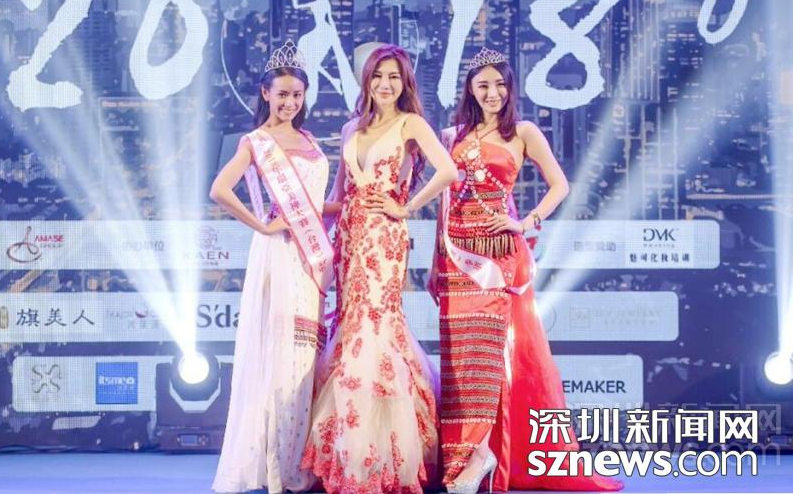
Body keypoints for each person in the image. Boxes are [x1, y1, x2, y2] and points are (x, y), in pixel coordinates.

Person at [428, 47, 624, 493]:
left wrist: (526, 221)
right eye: (483, 85)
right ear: (470, 90)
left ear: (510, 88)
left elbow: (560, 185)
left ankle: (485, 455)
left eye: (500, 85)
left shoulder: (523, 132)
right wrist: (434, 262)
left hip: (498, 256)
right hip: (457, 258)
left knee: (493, 358)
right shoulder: (451, 136)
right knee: (461, 361)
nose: (492, 93)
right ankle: (465, 459)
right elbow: (443, 205)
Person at [301, 44, 458, 493]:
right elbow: (339, 192)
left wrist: (405, 207)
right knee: (351, 324)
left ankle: (383, 455)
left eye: (393, 76)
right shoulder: (351, 127)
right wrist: (303, 218)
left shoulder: (411, 124)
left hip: (385, 238)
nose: (385, 84)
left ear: (404, 82)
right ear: (366, 80)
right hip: (349, 237)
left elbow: (447, 172)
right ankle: (347, 449)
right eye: (378, 76)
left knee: (377, 325)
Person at [210, 40, 335, 493]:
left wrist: (355, 206)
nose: (290, 102)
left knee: (307, 355)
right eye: (282, 94)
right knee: (283, 355)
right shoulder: (256, 143)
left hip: (310, 255)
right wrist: (262, 226)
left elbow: (315, 206)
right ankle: (279, 467)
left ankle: (300, 455)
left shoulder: (310, 141)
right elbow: (220, 190)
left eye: (297, 95)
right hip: (280, 254)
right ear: (265, 93)